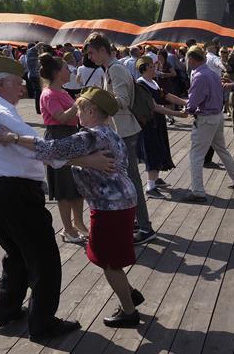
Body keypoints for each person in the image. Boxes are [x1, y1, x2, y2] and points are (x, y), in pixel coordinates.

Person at [0, 56, 109, 340]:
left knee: (16, 253)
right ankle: (42, 324)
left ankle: (5, 311)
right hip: (13, 193)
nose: (22, 89)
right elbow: (45, 149)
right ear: (0, 84)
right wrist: (87, 160)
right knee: (43, 258)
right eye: (17, 84)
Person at [0, 87, 145, 327]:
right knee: (108, 255)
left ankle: (129, 312)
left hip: (110, 206)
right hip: (119, 201)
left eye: (79, 109)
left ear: (91, 111)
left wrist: (14, 139)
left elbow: (52, 149)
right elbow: (63, 156)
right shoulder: (110, 133)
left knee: (109, 262)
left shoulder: (90, 137)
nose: (77, 114)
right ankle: (131, 294)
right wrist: (85, 161)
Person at [84, 32, 156, 245]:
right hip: (122, 131)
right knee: (127, 178)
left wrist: (97, 100)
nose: (90, 57)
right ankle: (137, 221)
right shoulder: (111, 68)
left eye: (92, 53)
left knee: (131, 180)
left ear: (103, 50)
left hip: (124, 132)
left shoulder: (115, 69)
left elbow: (122, 101)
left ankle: (145, 227)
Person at [181, 45, 234, 203]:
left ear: (191, 59)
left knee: (196, 155)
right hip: (217, 116)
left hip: (205, 119)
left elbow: (193, 102)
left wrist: (186, 109)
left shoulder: (199, 76)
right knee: (222, 150)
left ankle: (198, 192)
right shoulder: (211, 73)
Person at [38, 53, 89, 244]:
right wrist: (78, 103)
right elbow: (61, 117)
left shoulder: (61, 91)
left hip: (69, 137)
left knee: (75, 184)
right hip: (58, 139)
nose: (70, 71)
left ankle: (78, 224)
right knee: (64, 187)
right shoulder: (49, 94)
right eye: (67, 68)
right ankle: (68, 228)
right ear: (57, 72)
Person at [136, 56, 185, 199]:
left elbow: (167, 96)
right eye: (152, 66)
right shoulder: (141, 85)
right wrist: (177, 114)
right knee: (152, 151)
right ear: (145, 68)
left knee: (159, 148)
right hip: (149, 124)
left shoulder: (153, 82)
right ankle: (150, 187)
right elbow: (154, 107)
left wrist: (186, 102)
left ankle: (155, 179)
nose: (155, 68)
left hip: (157, 121)